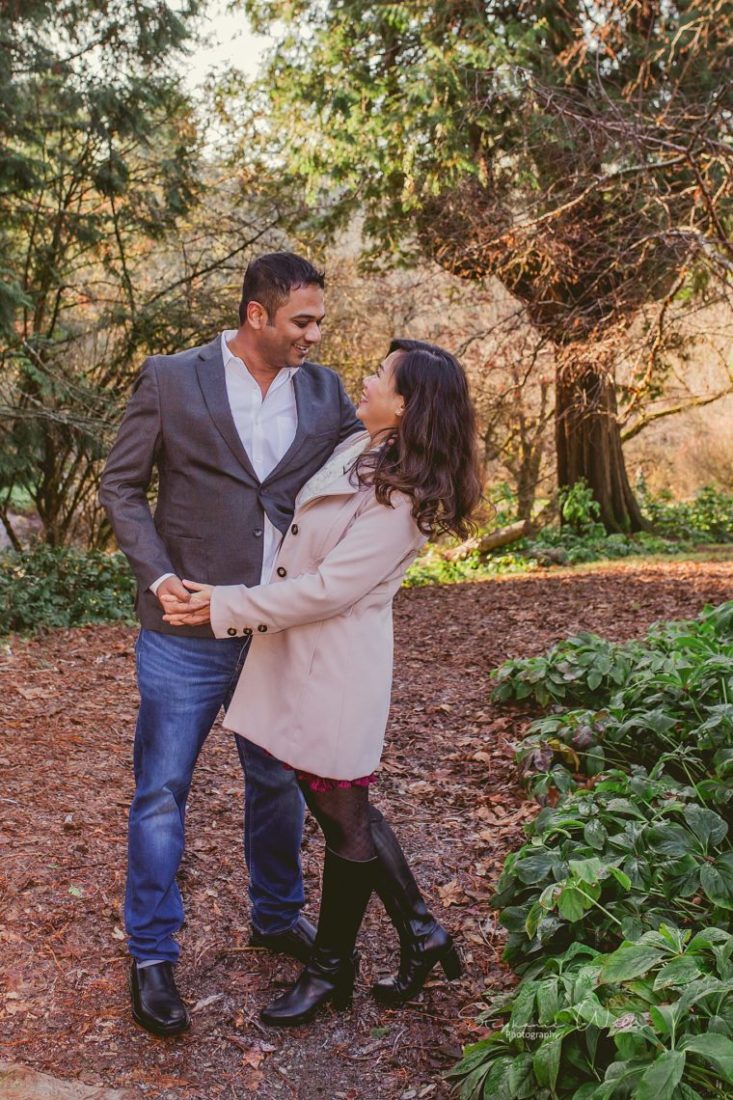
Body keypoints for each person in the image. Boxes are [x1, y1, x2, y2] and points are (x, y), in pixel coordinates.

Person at [161, 338, 482, 1026]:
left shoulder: (402, 500)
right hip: (297, 659)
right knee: (342, 806)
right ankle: (421, 933)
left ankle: (331, 969)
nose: (364, 380)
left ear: (408, 404)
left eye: (380, 376)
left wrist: (223, 604)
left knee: (343, 821)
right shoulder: (363, 453)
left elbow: (327, 591)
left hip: (333, 673)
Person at [99, 252, 361, 1036]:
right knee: (161, 791)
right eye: (302, 322)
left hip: (272, 623)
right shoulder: (170, 378)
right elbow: (121, 485)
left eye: (318, 321)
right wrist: (157, 576)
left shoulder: (326, 392)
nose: (315, 335)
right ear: (258, 316)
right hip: (184, 627)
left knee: (276, 783)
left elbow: (365, 472)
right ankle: (152, 952)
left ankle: (276, 915)